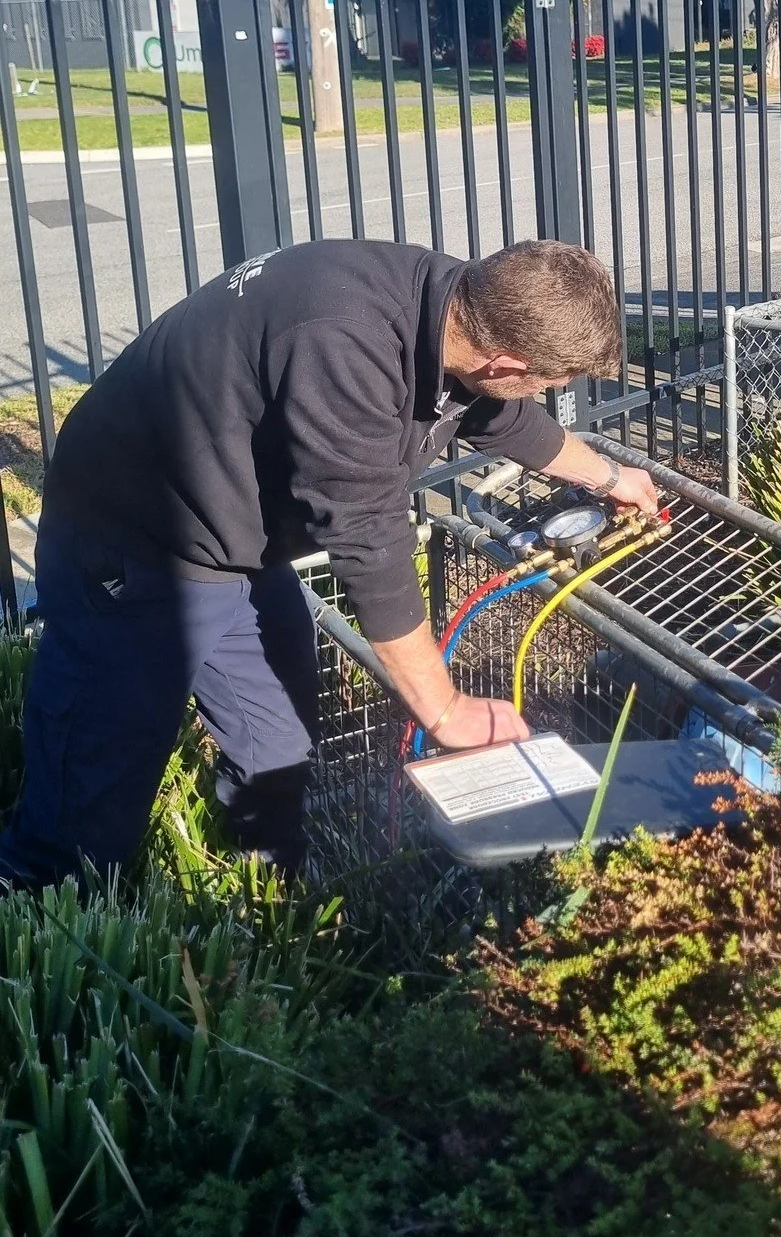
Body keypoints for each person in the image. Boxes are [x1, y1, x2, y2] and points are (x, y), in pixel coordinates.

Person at [0, 237, 657, 885]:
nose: (543, 394)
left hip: (231, 536)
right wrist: (445, 711)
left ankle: (265, 896)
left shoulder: (458, 308)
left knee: (278, 740)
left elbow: (505, 420)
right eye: (547, 383)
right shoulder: (344, 346)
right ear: (504, 363)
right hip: (134, 533)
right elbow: (369, 544)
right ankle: (43, 891)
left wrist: (608, 476)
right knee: (99, 771)